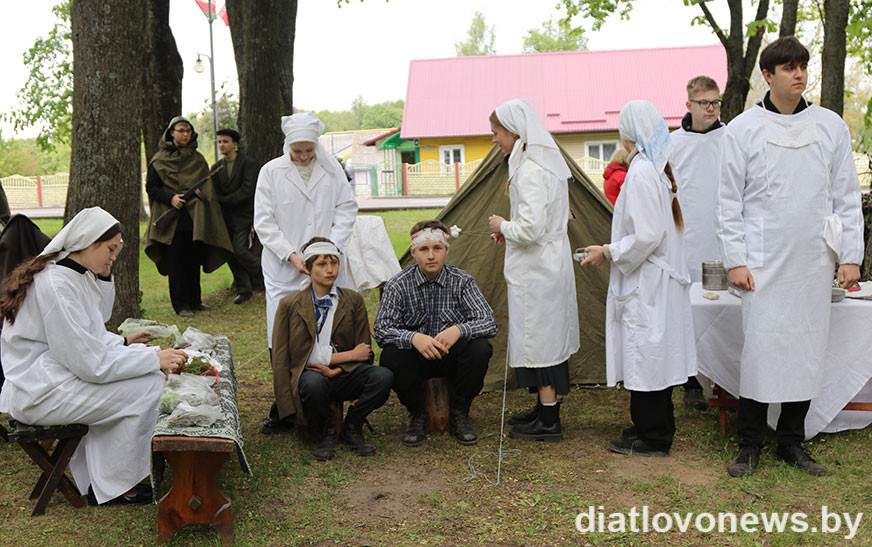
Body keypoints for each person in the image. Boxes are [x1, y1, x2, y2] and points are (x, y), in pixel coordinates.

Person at [717, 37, 863, 477]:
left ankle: (791, 442)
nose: (799, 74)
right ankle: (749, 444)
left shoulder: (830, 126)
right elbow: (728, 202)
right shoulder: (742, 129)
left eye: (802, 66)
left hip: (812, 260)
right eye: (788, 68)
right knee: (761, 351)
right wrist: (735, 260)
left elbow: (846, 195)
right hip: (762, 262)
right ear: (768, 75)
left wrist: (849, 255)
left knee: (805, 349)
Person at [0, 207, 188, 505]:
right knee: (148, 387)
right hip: (38, 391)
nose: (114, 257)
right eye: (110, 249)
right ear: (88, 241)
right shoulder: (57, 284)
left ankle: (108, 478)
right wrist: (154, 359)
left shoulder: (73, 274)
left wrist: (127, 344)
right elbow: (90, 363)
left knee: (148, 380)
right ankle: (116, 484)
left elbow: (92, 329)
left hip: (56, 377)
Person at [581, 100, 697, 458]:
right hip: (653, 281)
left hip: (649, 283)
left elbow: (647, 235)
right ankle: (646, 425)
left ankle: (655, 437)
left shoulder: (643, 171)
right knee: (649, 355)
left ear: (628, 133)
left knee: (648, 357)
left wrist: (608, 251)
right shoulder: (653, 169)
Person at [255, 113, 358, 433]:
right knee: (283, 335)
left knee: (325, 328)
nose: (302, 156)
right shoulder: (271, 172)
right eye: (296, 151)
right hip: (284, 267)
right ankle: (283, 406)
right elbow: (264, 221)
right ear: (287, 146)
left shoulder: (332, 171)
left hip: (324, 264)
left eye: (308, 151)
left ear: (316, 146)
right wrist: (291, 254)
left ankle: (321, 398)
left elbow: (346, 210)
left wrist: (328, 251)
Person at [487, 98, 579, 442]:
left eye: (496, 132)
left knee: (541, 342)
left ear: (514, 131)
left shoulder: (530, 170)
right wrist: (509, 232)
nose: (494, 139)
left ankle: (549, 419)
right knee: (544, 338)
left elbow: (531, 229)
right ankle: (544, 408)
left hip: (538, 269)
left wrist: (502, 224)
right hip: (547, 262)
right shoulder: (543, 164)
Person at [374, 220, 497, 447]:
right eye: (424, 249)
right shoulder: (398, 285)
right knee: (391, 355)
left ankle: (460, 411)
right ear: (413, 252)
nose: (431, 256)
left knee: (480, 348)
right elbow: (381, 330)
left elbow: (489, 322)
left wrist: (458, 330)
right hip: (416, 359)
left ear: (446, 250)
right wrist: (413, 338)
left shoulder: (462, 281)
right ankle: (417, 413)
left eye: (437, 248)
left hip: (452, 358)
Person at [271, 237, 393, 461]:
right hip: (310, 377)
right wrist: (285, 404)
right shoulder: (289, 305)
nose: (330, 269)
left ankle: (352, 425)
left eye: (334, 263)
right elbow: (282, 356)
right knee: (314, 383)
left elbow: (364, 351)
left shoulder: (353, 300)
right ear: (307, 268)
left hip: (345, 374)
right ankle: (323, 431)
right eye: (321, 264)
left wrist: (338, 368)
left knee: (383, 376)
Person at [670, 75, 728, 411]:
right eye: (704, 103)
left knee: (724, 307)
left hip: (722, 237)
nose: (711, 108)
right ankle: (691, 380)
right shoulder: (673, 144)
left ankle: (726, 379)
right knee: (690, 311)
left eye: (715, 102)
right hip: (687, 239)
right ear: (688, 105)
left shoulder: (731, 138)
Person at [144, 116, 233, 317]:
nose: (185, 134)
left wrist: (200, 195)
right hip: (172, 220)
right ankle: (180, 304)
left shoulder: (198, 159)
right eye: (181, 131)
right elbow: (152, 187)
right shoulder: (160, 160)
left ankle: (195, 300)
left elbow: (207, 188)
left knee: (194, 260)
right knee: (176, 262)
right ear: (171, 133)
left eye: (188, 131)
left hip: (195, 218)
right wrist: (171, 198)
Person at [212, 128, 263, 305]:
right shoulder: (216, 168)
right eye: (219, 142)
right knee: (229, 252)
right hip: (225, 218)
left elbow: (248, 190)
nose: (221, 145)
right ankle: (244, 289)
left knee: (240, 249)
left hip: (244, 215)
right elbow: (214, 192)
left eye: (225, 141)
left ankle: (262, 274)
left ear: (235, 144)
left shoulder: (248, 163)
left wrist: (226, 200)